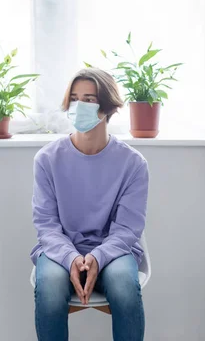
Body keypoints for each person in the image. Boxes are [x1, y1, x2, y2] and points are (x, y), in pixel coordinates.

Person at [31, 68, 148, 341]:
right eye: (74, 99)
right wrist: (71, 257)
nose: (78, 106)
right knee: (48, 286)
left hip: (114, 251)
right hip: (59, 251)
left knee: (124, 286)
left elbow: (128, 228)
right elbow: (46, 225)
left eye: (89, 99)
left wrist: (98, 256)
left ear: (108, 107)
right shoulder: (47, 159)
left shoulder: (133, 164)